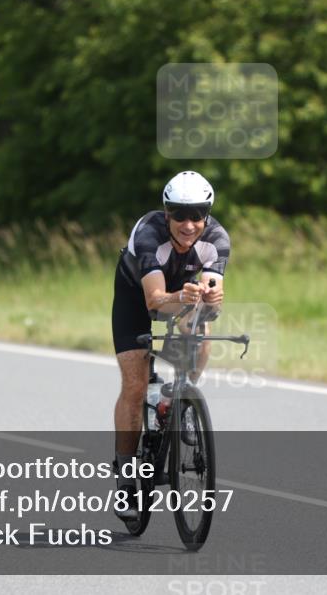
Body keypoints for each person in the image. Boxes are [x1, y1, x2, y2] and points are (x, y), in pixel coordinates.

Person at [110, 170, 229, 520]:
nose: (188, 224)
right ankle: (127, 479)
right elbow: (155, 302)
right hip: (139, 294)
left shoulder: (218, 239)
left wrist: (211, 300)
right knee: (134, 385)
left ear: (206, 215)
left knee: (201, 322)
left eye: (197, 215)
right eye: (179, 214)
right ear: (166, 213)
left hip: (181, 291)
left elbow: (211, 302)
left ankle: (182, 398)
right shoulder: (149, 234)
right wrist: (181, 295)